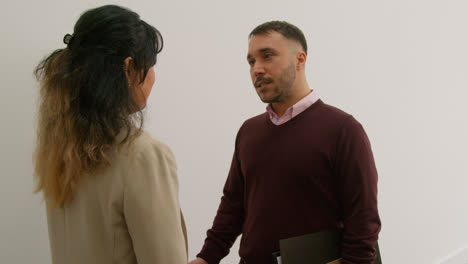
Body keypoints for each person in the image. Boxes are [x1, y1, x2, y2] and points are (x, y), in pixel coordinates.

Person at [189, 21, 381, 264]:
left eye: (267, 56)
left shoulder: (343, 130)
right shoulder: (249, 131)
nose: (257, 69)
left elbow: (363, 223)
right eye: (251, 61)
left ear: (300, 60)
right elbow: (233, 205)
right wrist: (206, 258)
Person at [34, 5, 187, 264]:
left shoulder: (60, 151)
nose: (153, 77)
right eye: (150, 66)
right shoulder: (143, 155)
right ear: (129, 69)